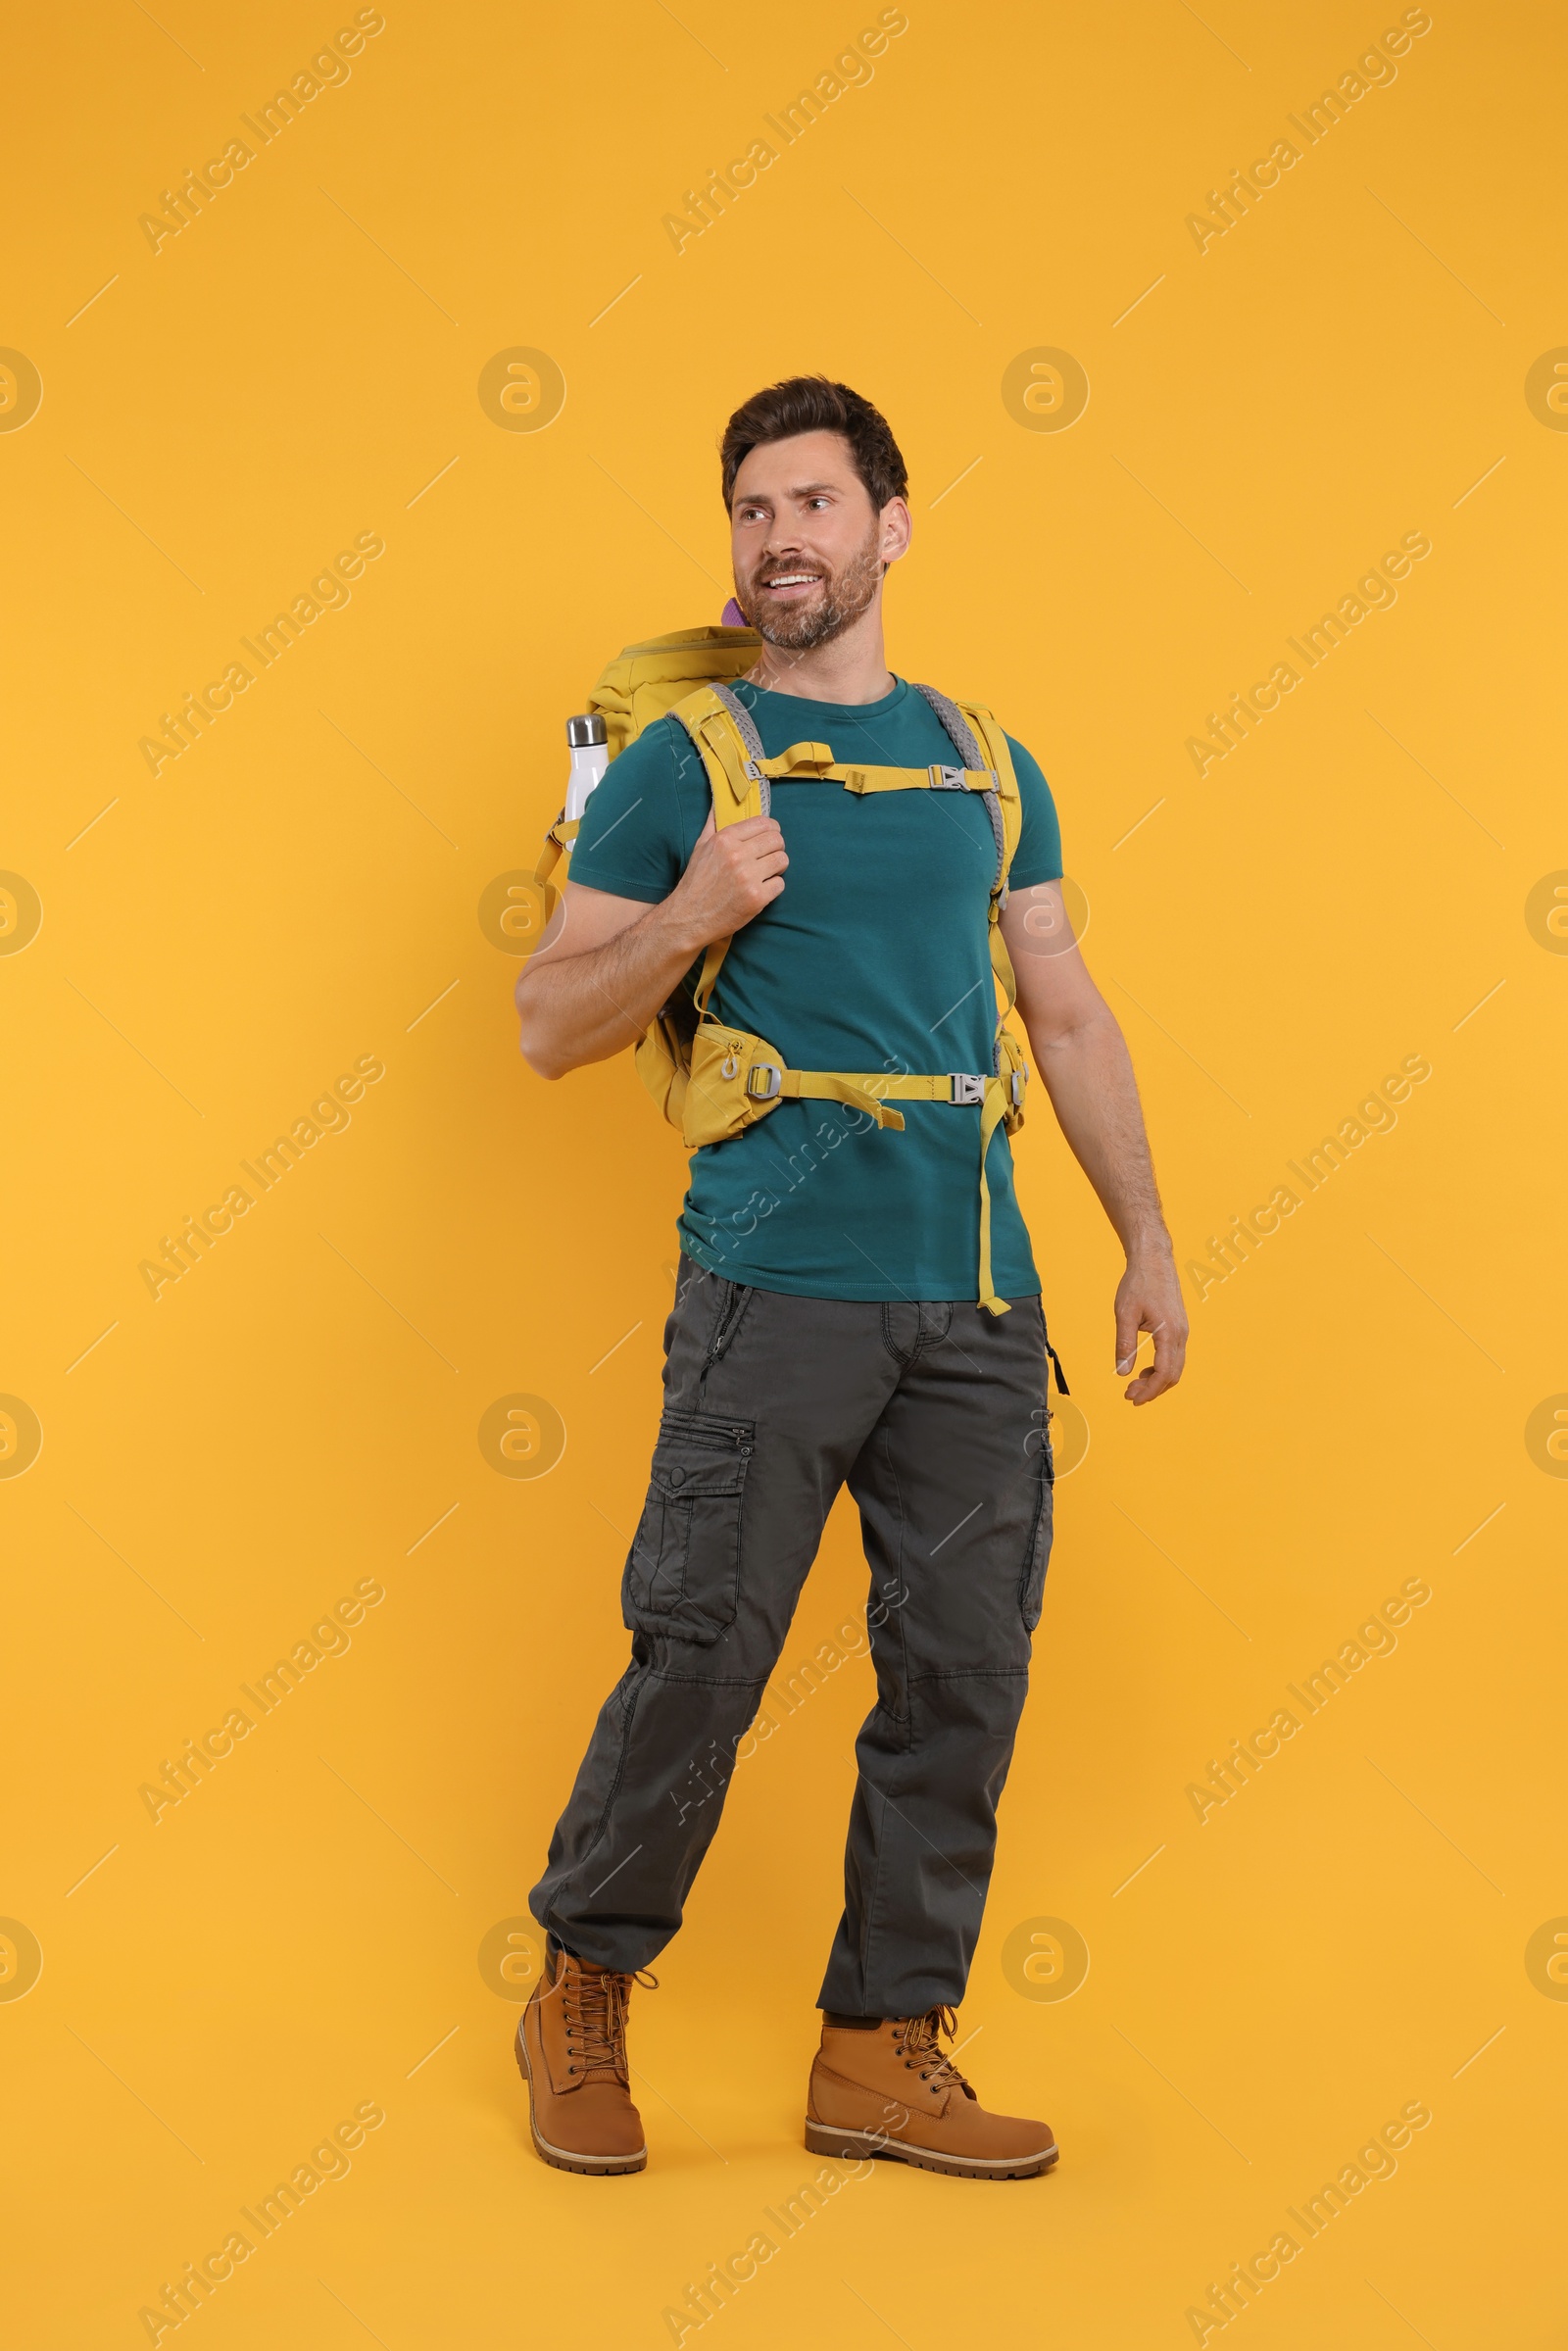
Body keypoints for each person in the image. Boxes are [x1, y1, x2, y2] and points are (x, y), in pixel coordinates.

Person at [513, 375, 1188, 2180]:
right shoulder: (685, 763)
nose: (776, 539)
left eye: (812, 504)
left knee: (963, 1668)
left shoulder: (987, 760)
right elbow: (546, 1025)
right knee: (702, 1661)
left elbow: (1061, 1004)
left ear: (891, 526)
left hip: (973, 1299)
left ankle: (882, 2047)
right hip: (771, 1292)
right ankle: (580, 1986)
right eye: (749, 511)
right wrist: (689, 914)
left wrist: (1145, 1238)